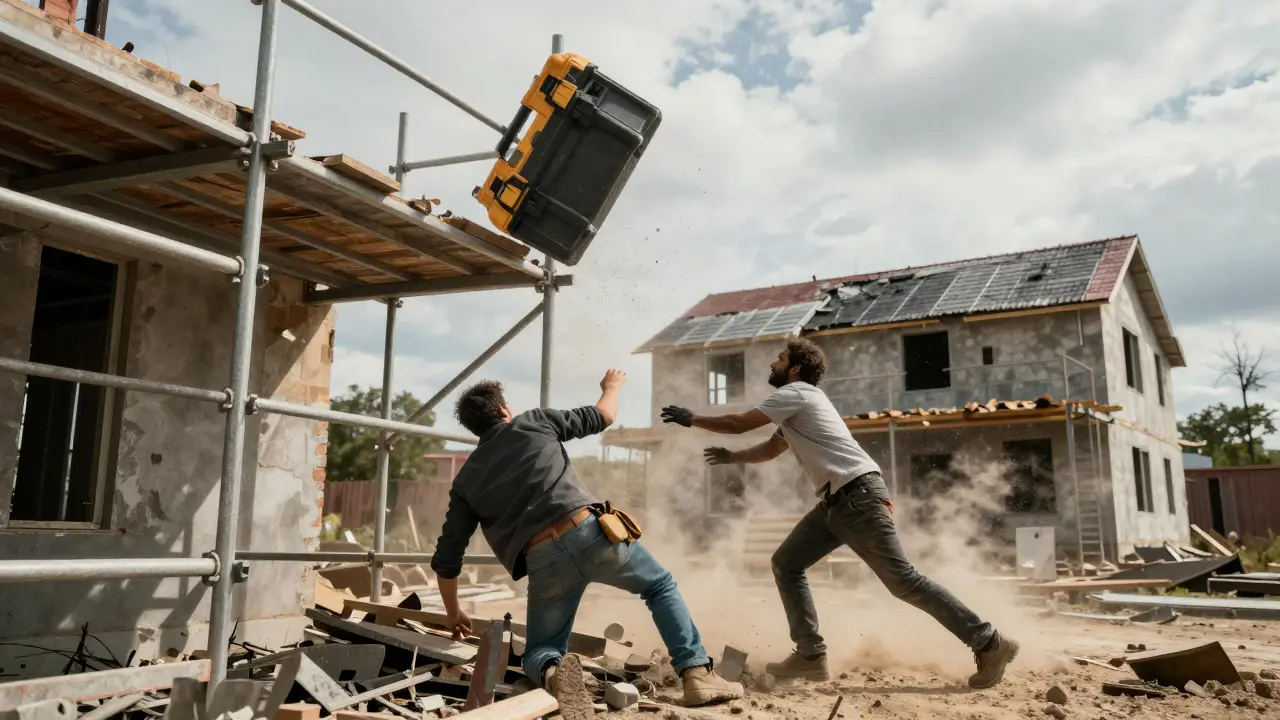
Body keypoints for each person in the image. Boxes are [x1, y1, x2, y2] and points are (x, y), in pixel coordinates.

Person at [660, 340, 1020, 689]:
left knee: (904, 581)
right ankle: (810, 655)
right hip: (836, 504)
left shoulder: (796, 392)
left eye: (780, 357)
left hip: (858, 496)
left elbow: (740, 423)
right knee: (787, 563)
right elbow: (771, 449)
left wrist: (692, 418)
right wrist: (732, 458)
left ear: (796, 368)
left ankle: (989, 642)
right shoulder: (797, 406)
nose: (773, 363)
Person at [431, 370, 743, 715]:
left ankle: (553, 673)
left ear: (474, 428)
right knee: (659, 587)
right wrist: (612, 386)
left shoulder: (466, 481)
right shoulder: (533, 422)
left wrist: (453, 612)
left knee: (541, 648)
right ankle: (696, 672)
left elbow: (447, 558)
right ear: (504, 410)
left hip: (543, 559)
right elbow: (604, 416)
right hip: (591, 533)